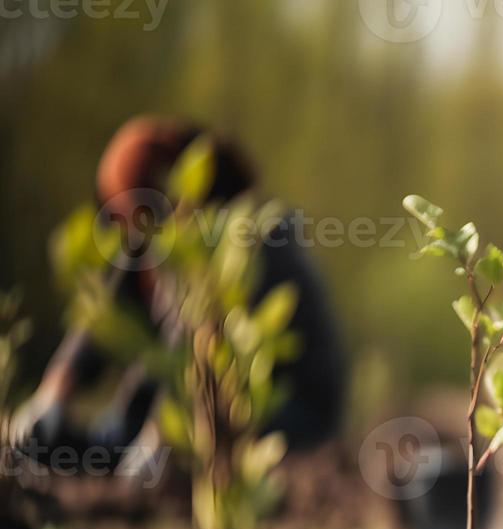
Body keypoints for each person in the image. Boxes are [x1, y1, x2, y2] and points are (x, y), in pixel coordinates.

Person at [10, 116, 345, 472]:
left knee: (139, 448)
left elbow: (202, 348)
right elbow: (109, 313)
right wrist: (54, 391)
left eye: (137, 220)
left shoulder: (252, 237)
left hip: (291, 411)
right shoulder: (155, 244)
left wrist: (158, 437)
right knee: (99, 442)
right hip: (201, 410)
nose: (132, 239)